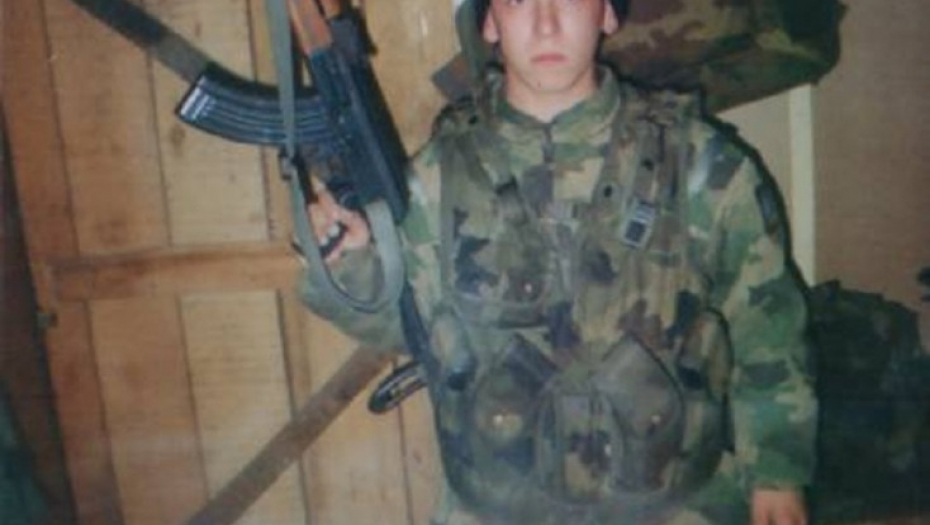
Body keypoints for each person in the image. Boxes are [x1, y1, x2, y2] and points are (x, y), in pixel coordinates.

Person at [299, 0, 817, 524]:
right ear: (490, 22)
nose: (546, 23)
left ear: (606, 14)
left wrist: (777, 474)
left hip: (676, 507)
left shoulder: (701, 166)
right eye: (518, 1)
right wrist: (351, 263)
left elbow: (766, 326)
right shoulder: (435, 179)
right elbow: (404, 327)